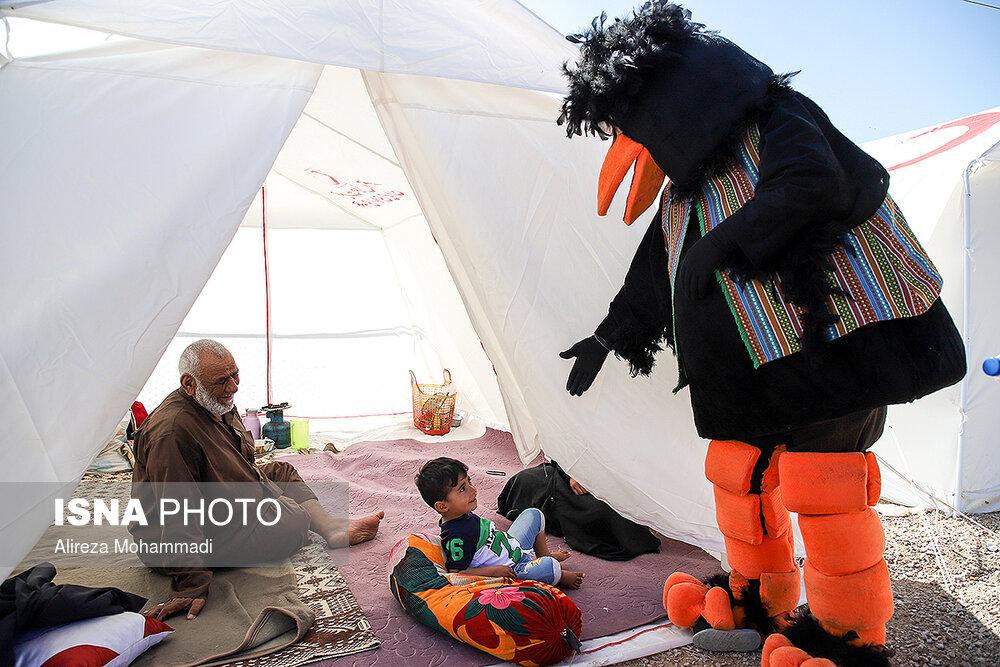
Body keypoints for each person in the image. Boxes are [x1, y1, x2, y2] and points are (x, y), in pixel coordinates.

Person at [557, 2, 965, 665]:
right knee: (738, 474)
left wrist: (717, 249)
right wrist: (609, 336)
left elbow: (815, 181)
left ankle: (846, 638)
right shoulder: (685, 193)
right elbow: (655, 272)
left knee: (823, 485)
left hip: (834, 340)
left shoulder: (779, 119)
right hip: (752, 363)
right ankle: (758, 599)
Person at [129, 339, 384, 621]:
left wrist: (263, 490)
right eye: (222, 381)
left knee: (282, 472)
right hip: (194, 531)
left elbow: (243, 460)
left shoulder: (215, 402)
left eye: (235, 375)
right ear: (189, 384)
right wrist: (190, 584)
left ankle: (330, 527)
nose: (233, 387)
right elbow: (176, 508)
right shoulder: (172, 432)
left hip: (223, 496)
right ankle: (302, 519)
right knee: (294, 520)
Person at [415, 457, 585, 589]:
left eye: (469, 481)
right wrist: (493, 572)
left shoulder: (462, 515)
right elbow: (457, 572)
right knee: (550, 568)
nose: (473, 489)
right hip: (513, 569)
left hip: (513, 546)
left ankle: (542, 555)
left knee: (534, 514)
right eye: (462, 488)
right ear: (442, 506)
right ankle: (558, 575)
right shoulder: (455, 536)